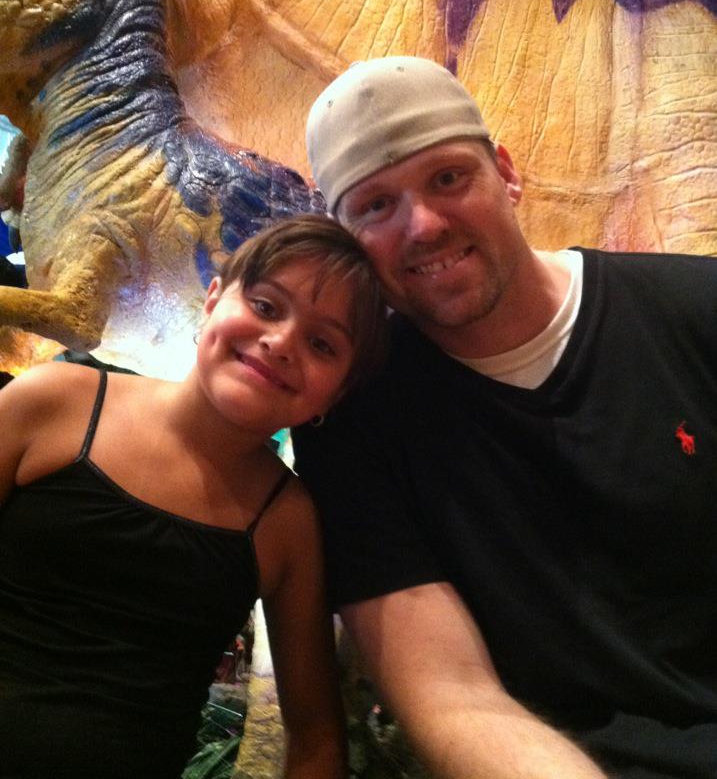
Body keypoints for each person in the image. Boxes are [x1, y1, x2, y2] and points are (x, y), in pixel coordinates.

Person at [292, 56, 717, 779]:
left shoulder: (695, 312)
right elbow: (451, 697)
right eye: (376, 206)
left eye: (448, 178)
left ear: (507, 174)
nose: (423, 225)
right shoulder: (352, 417)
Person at [0, 213, 387, 779]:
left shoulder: (288, 522)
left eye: (322, 344)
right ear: (212, 300)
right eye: (266, 306)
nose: (281, 342)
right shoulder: (54, 400)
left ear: (338, 392)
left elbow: (315, 737)